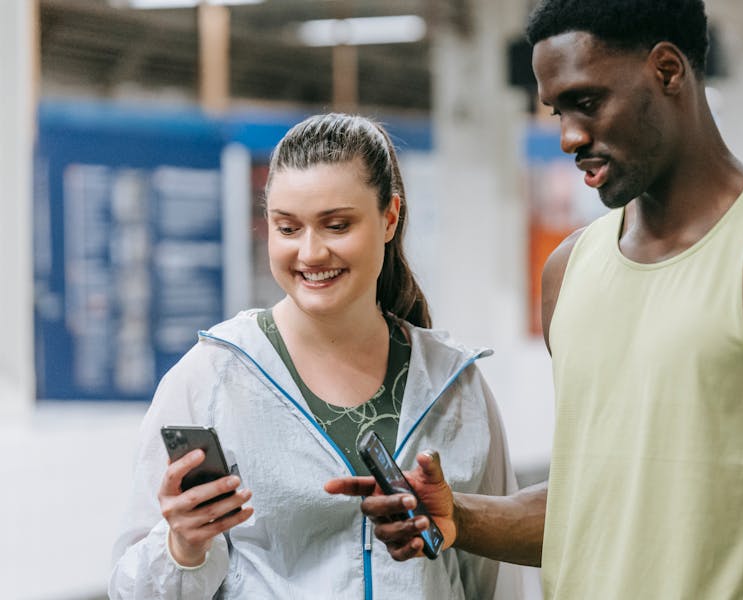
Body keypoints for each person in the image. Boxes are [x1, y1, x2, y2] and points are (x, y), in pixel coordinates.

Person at [326, 0, 743, 598]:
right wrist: (456, 514)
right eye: (557, 110)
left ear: (668, 71)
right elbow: (595, 505)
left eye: (588, 102)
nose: (569, 136)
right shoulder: (570, 270)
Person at [109, 113, 520, 599]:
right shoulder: (214, 376)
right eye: (287, 228)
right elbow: (132, 591)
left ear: (389, 218)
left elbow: (495, 581)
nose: (310, 252)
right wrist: (182, 546)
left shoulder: (453, 384)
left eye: (337, 225)